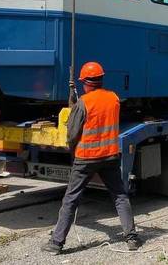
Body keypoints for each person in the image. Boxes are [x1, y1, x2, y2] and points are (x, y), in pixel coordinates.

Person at [44, 62, 140, 254]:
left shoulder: (83, 103)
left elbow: (72, 134)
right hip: (110, 156)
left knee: (71, 200)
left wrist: (72, 145)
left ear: (85, 83)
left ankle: (56, 243)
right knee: (120, 196)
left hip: (86, 158)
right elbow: (100, 113)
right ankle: (131, 238)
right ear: (101, 79)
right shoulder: (114, 98)